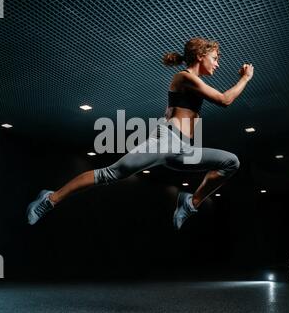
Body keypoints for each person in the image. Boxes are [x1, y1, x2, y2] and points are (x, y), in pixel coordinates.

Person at [26, 37, 254, 230]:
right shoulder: (184, 77)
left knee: (231, 162)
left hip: (183, 149)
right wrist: (245, 78)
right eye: (215, 58)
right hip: (167, 141)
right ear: (200, 56)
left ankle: (190, 203)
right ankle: (50, 199)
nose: (217, 63)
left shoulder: (194, 83)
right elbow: (224, 100)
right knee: (111, 173)